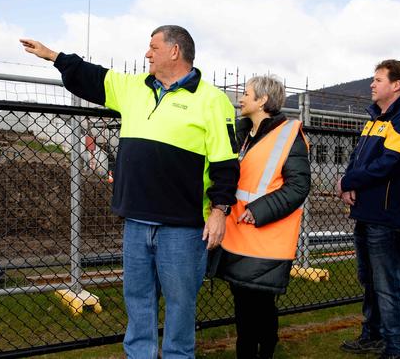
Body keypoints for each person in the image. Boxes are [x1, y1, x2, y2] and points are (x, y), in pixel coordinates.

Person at [20, 25, 240, 359]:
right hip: (136, 221)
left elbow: (226, 162)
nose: (147, 53)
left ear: (175, 51)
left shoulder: (212, 100)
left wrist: (220, 212)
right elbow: (93, 77)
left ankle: (179, 355)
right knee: (137, 298)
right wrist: (53, 56)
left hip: (183, 226)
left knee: (181, 304)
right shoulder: (134, 88)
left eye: (153, 47)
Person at [216, 75, 311, 359]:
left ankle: (264, 351)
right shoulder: (242, 133)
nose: (240, 98)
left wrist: (258, 212)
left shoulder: (288, 135)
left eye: (246, 93)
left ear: (262, 101)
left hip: (266, 237)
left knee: (260, 305)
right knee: (243, 306)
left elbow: (298, 186)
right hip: (238, 235)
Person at [337, 60, 400, 359]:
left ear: (396, 85)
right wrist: (348, 183)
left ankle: (395, 348)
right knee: (369, 280)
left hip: (385, 217)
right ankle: (371, 336)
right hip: (365, 213)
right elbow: (358, 159)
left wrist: (348, 180)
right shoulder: (373, 119)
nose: (372, 85)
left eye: (378, 80)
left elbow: (388, 164)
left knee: (387, 284)